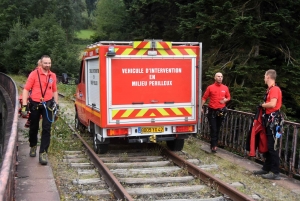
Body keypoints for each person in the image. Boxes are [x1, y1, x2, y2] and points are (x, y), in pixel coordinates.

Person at [21, 55, 59, 165]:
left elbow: (55, 91)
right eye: (45, 63)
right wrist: (24, 105)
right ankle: (33, 145)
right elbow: (26, 89)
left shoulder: (53, 76)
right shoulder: (34, 74)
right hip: (35, 104)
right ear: (41, 63)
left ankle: (43, 153)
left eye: (49, 63)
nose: (47, 65)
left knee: (47, 129)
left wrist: (56, 104)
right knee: (34, 127)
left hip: (48, 104)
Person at [253, 69, 282, 180]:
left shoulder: (274, 89)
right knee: (269, 145)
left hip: (274, 122)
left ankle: (275, 172)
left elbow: (273, 104)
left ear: (268, 77)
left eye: (265, 76)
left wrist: (262, 105)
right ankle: (266, 168)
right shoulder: (270, 89)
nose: (264, 78)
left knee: (272, 147)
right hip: (271, 121)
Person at [201, 72, 231, 153]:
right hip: (212, 111)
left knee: (217, 128)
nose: (220, 78)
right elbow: (204, 98)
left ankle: (214, 144)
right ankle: (213, 146)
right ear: (215, 78)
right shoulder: (210, 87)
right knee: (213, 128)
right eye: (218, 76)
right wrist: (200, 107)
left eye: (221, 76)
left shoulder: (225, 88)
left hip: (221, 111)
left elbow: (229, 97)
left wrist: (226, 100)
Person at [24, 59, 43, 128]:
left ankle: (30, 120)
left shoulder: (34, 72)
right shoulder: (35, 73)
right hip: (36, 97)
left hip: (35, 97)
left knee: (33, 110)